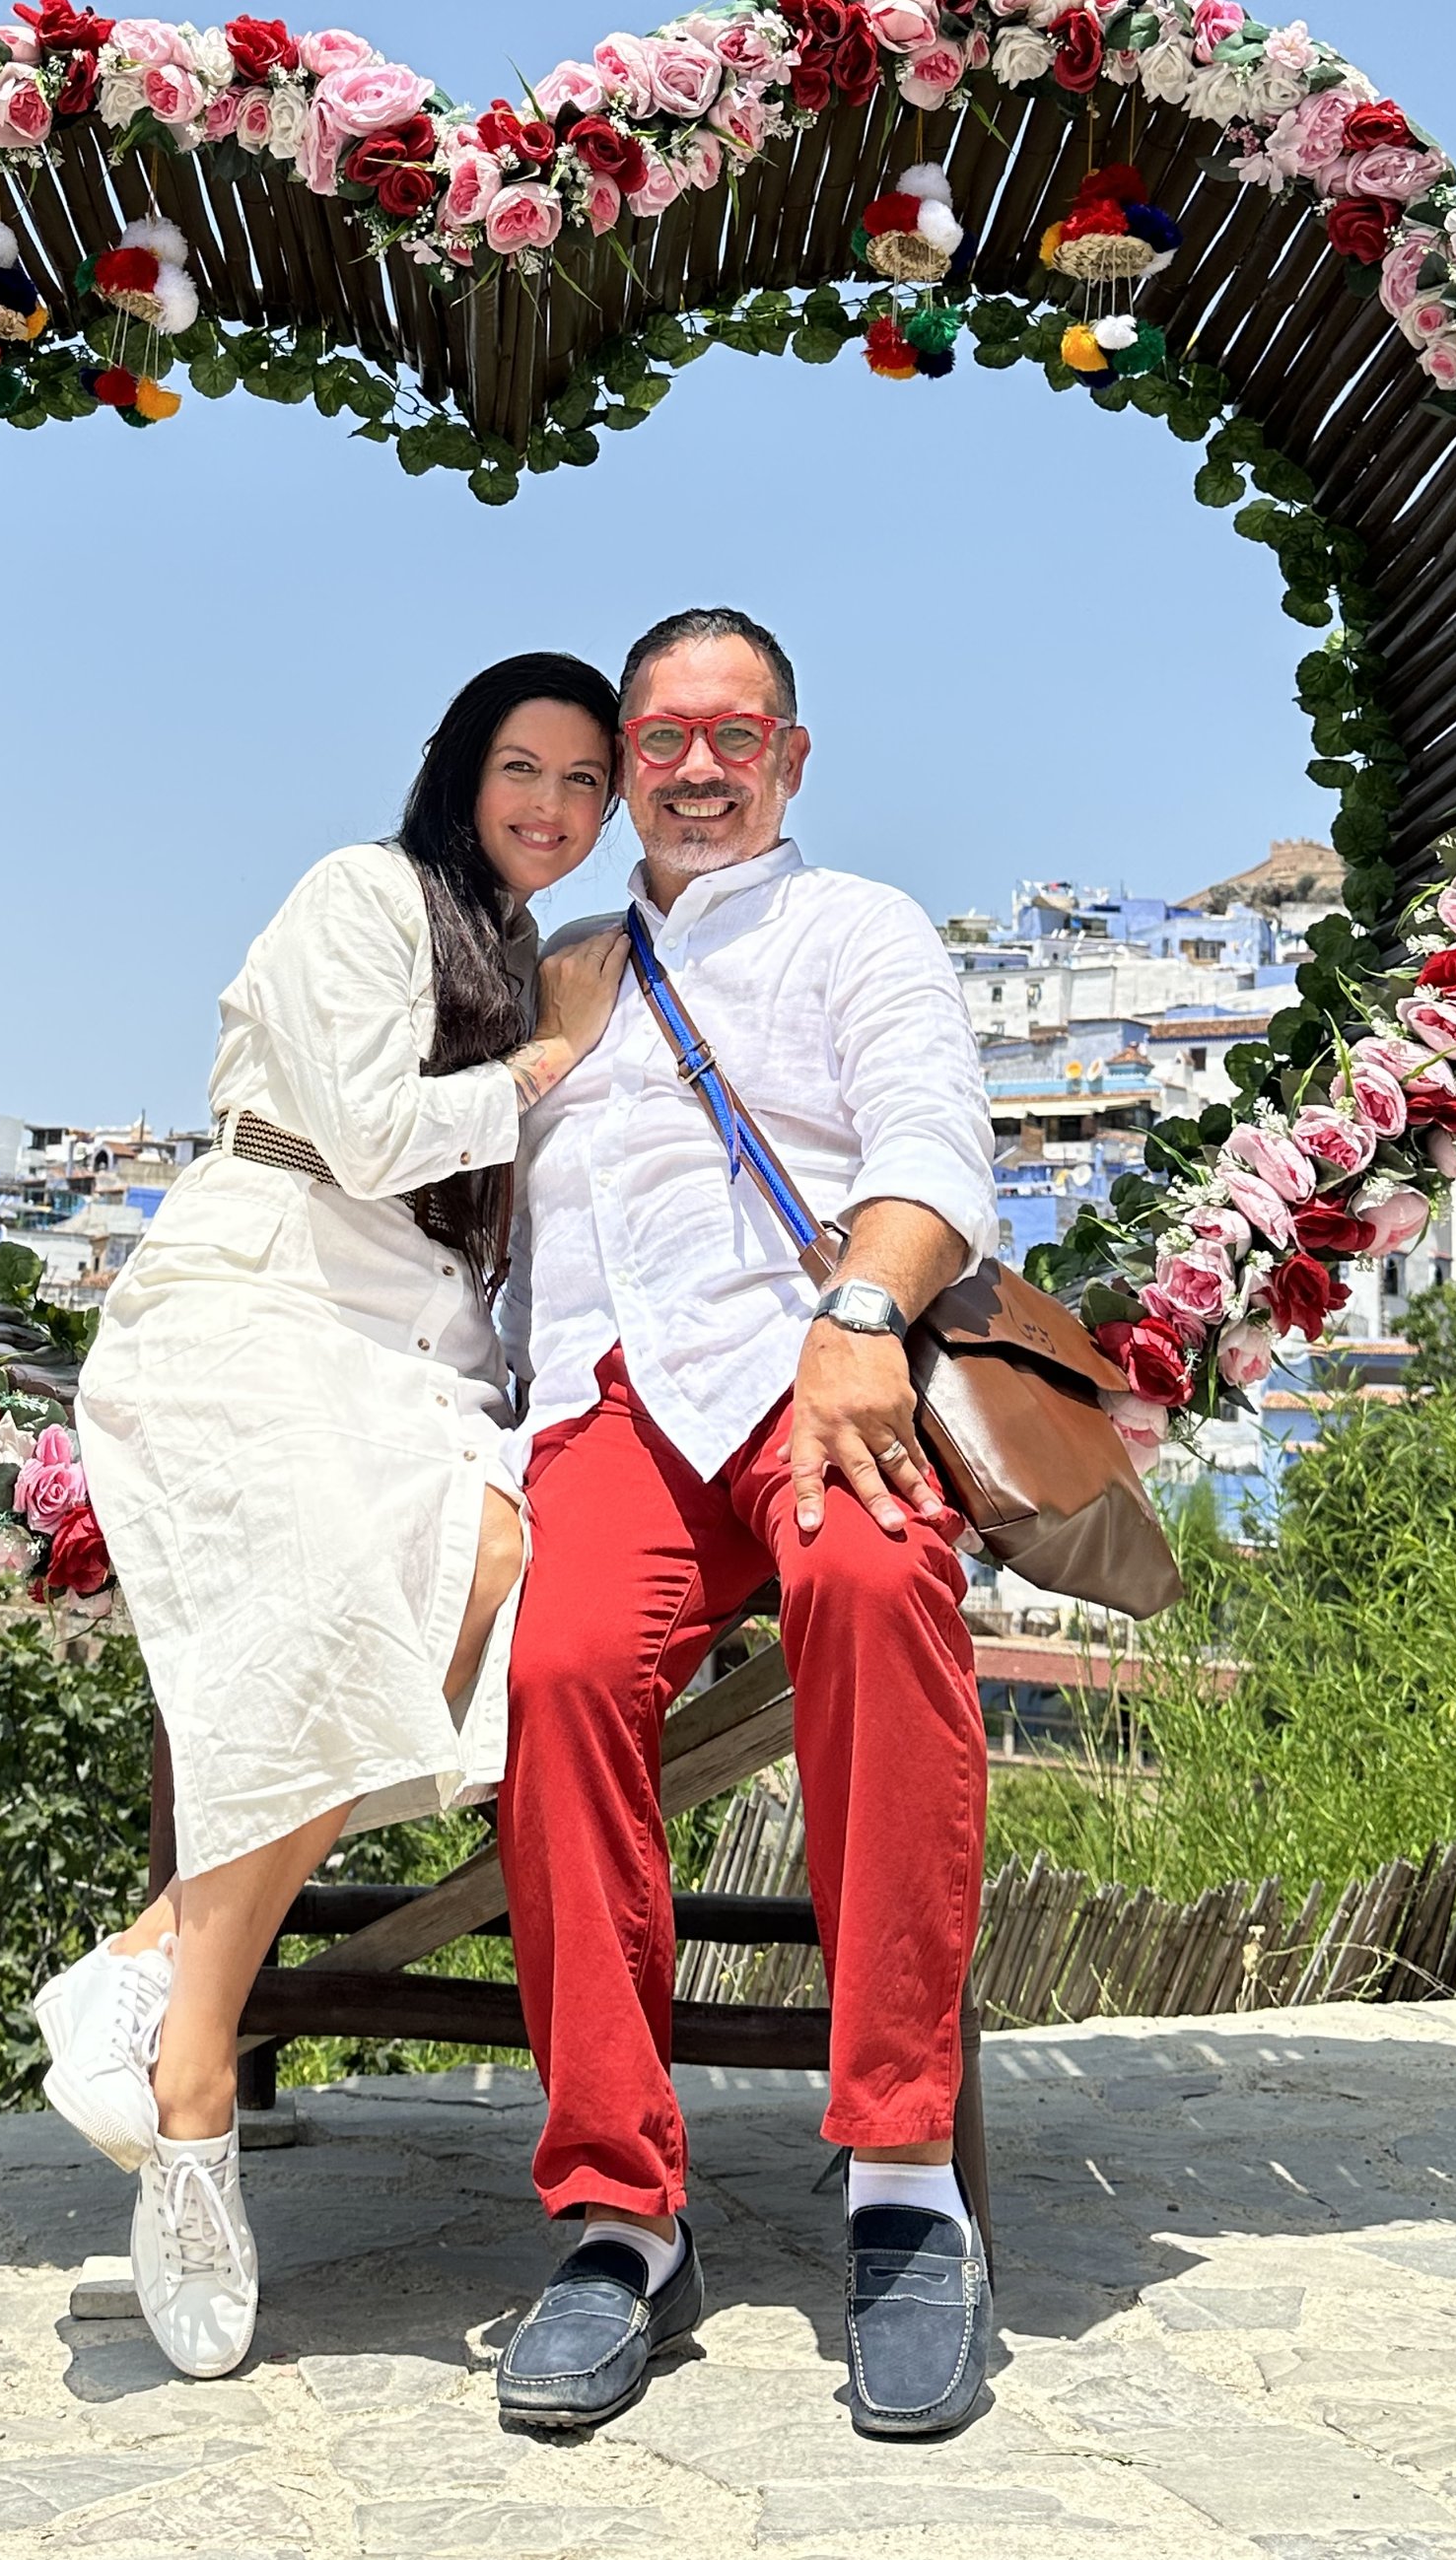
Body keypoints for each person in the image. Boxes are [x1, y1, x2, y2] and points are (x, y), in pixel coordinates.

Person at [40, 653, 630, 2381]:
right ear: (460, 770)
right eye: (525, 768)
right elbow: (370, 1132)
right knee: (341, 1605)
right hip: (258, 1305)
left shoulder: (522, 953)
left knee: (496, 1563)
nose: (554, 806)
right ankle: (199, 2100)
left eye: (583, 783)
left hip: (411, 1355)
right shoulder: (364, 894)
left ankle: (158, 1978)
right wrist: (546, 1062)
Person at [492, 606, 1001, 2440]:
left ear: (792, 755)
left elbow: (934, 1145)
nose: (697, 768)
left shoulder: (858, 928)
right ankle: (620, 2213)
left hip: (810, 1365)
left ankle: (901, 2183)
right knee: (555, 1679)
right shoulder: (566, 964)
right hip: (609, 1400)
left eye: (736, 734)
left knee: (876, 1589)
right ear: (624, 762)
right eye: (661, 739)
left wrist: (862, 1319)